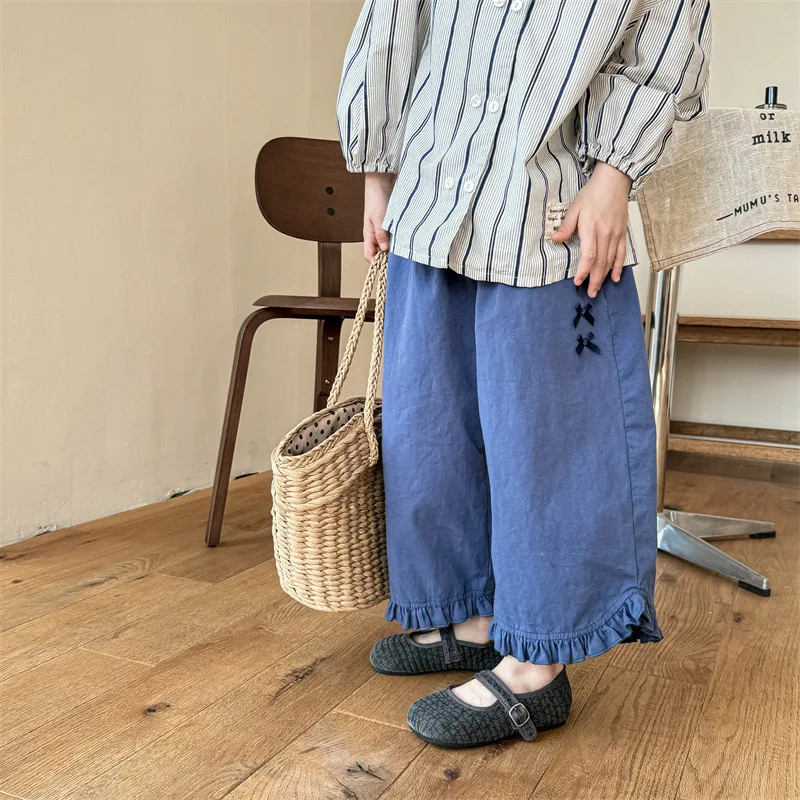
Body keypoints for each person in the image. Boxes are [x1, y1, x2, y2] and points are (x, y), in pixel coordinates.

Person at [336, 0, 711, 748]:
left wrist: (615, 175)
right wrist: (377, 171)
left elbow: (668, 32)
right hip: (434, 190)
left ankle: (537, 665)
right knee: (431, 423)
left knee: (550, 442)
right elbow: (394, 15)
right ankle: (471, 616)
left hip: (551, 208)